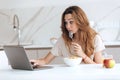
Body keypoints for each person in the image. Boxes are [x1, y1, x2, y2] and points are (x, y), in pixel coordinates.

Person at [30, 5, 105, 68]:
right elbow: (45, 60)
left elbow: (99, 67)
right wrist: (35, 62)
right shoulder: (64, 39)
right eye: (66, 23)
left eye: (71, 22)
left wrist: (83, 55)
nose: (68, 26)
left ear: (80, 21)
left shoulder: (94, 38)